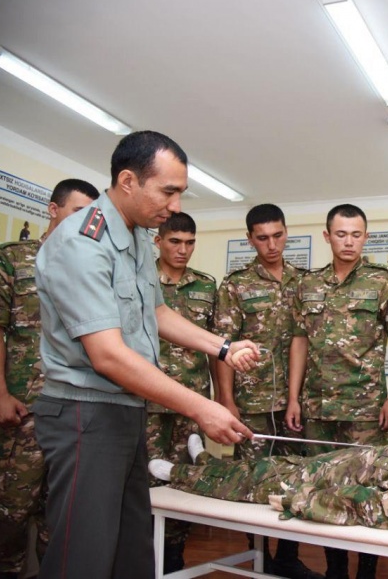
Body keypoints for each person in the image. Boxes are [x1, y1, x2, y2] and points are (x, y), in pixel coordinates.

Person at [32, 130, 258, 579]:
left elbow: (155, 311)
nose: (175, 206)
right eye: (168, 191)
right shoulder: (82, 242)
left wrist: (223, 346)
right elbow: (108, 357)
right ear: (129, 180)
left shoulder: (135, 237)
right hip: (85, 414)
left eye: (180, 193)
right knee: (85, 554)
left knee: (131, 549)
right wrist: (202, 407)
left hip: (124, 411)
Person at [0, 179, 99, 579]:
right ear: (53, 209)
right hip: (25, 407)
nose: (85, 223)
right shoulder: (13, 259)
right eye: (78, 212)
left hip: (75, 411)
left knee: (61, 517)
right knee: (11, 512)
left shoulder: (90, 266)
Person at [286, 203, 388, 579]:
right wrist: (293, 397)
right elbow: (299, 342)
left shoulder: (383, 281)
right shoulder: (308, 284)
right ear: (327, 236)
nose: (349, 241)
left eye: (356, 234)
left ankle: (366, 572)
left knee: (366, 489)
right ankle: (336, 570)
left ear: (366, 237)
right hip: (318, 410)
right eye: (341, 234)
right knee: (325, 491)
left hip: (365, 409)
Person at [214, 204, 320, 579]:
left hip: (296, 403)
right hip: (251, 402)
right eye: (262, 238)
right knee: (253, 480)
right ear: (250, 239)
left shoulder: (306, 282)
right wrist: (226, 401)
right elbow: (221, 348)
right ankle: (259, 557)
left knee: (296, 479)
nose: (271, 244)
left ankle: (288, 559)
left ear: (286, 232)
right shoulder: (236, 285)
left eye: (278, 235)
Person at [149, 435, 388, 529]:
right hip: (332, 461)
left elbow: (353, 507)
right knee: (259, 464)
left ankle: (179, 473)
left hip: (311, 480)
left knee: (246, 478)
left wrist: (297, 501)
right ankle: (202, 458)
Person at [146, 211, 220, 573]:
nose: (183, 249)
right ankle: (143, 557)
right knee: (144, 479)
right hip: (147, 400)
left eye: (190, 242)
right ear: (158, 241)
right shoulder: (142, 278)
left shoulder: (206, 285)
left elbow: (216, 346)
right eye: (175, 241)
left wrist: (221, 398)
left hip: (191, 401)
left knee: (184, 479)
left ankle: (174, 557)